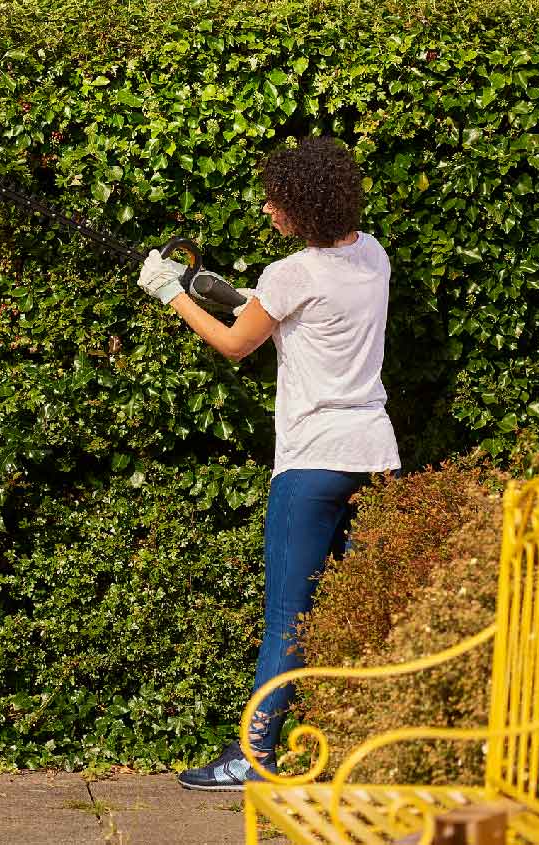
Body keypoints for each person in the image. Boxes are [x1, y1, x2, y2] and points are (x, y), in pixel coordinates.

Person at [135, 136, 401, 791]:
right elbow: (294, 311)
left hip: (312, 463)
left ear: (302, 204)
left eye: (275, 200)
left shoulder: (293, 273)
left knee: (292, 614)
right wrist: (217, 286)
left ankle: (251, 759)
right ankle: (350, 740)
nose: (266, 208)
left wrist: (170, 292)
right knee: (350, 611)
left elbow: (236, 341)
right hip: (374, 455)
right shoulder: (372, 255)